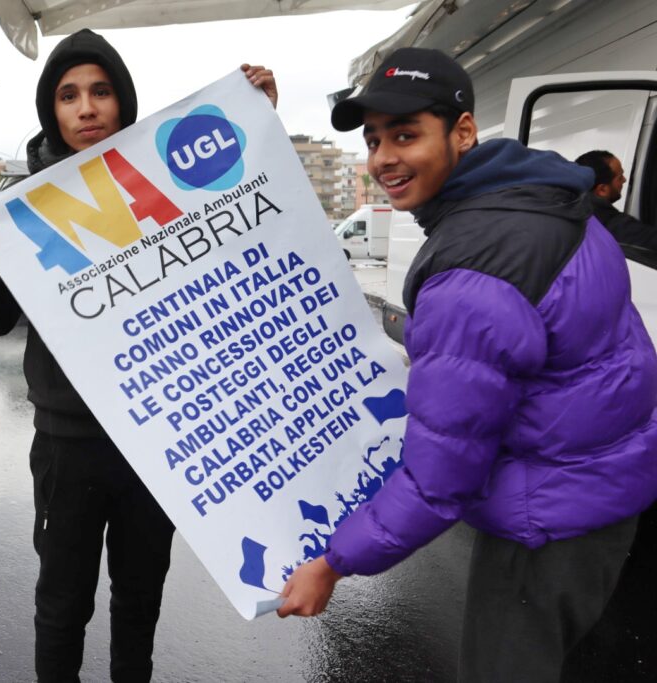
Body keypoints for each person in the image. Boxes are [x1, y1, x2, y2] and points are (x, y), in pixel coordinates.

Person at [277, 47, 657, 682]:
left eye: (405, 135)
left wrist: (332, 563)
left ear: (463, 132)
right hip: (605, 495)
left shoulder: (474, 269)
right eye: (373, 141)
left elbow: (438, 479)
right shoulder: (554, 202)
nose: (382, 160)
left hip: (545, 526)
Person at [0, 29, 277, 682]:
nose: (86, 108)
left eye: (100, 91)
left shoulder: (159, 181)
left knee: (140, 598)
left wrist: (251, 122)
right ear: (51, 111)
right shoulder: (26, 207)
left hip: (156, 438)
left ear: (122, 103)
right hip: (66, 445)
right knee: (62, 603)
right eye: (68, 95)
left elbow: (234, 235)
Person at [574, 149, 657, 252]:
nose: (625, 180)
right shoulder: (613, 226)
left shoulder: (562, 215)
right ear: (602, 190)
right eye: (620, 177)